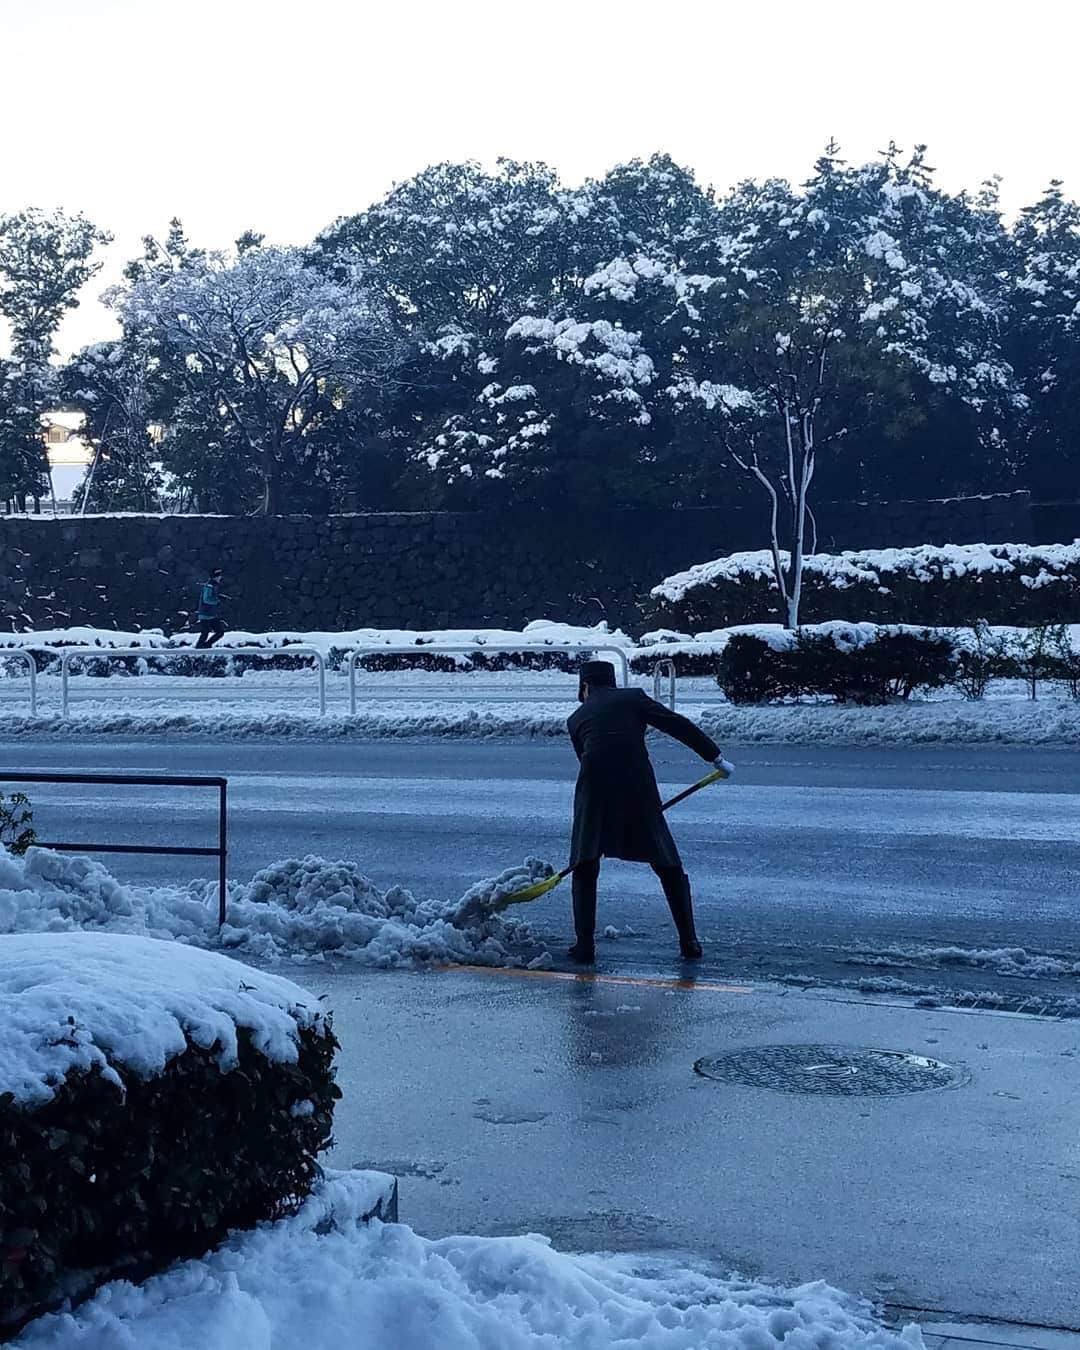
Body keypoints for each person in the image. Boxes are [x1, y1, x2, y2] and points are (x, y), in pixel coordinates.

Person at [566, 660, 730, 965]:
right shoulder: (633, 698)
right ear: (612, 683)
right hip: (636, 784)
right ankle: (689, 942)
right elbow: (676, 724)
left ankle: (585, 946)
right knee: (666, 862)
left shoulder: (576, 718)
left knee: (584, 863)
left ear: (584, 686)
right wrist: (714, 756)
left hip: (594, 789)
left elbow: (588, 759)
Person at [195, 568, 226, 648]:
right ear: (215, 577)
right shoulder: (209, 586)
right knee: (205, 633)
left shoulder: (214, 585)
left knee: (219, 632)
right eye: (219, 576)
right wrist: (217, 601)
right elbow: (206, 599)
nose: (220, 577)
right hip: (205, 613)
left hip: (211, 614)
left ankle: (206, 645)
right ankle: (198, 648)